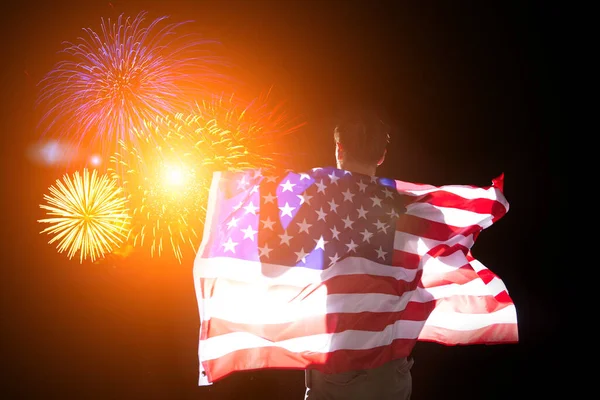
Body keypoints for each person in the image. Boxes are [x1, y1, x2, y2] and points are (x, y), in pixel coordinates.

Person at [304, 111, 414, 400]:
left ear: (339, 149)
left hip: (339, 361)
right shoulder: (407, 206)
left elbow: (272, 267)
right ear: (381, 156)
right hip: (391, 367)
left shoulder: (320, 199)